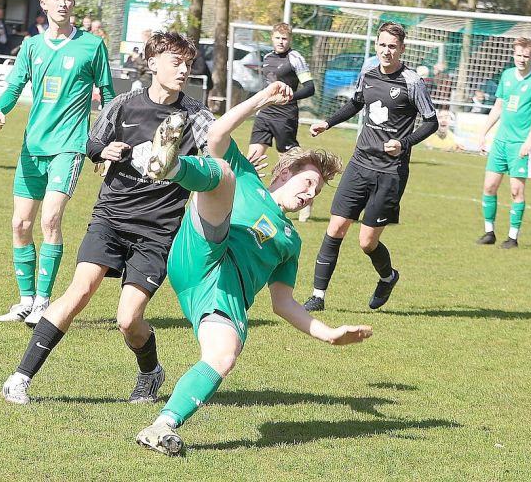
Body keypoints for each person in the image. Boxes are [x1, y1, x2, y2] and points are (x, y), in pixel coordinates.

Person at [133, 80, 372, 456]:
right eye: (308, 182)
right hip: (204, 252)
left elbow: (283, 303)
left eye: (316, 192)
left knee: (223, 357)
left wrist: (328, 335)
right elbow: (216, 132)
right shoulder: (250, 180)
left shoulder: (292, 241)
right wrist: (262, 99)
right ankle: (171, 164)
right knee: (224, 174)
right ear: (283, 173)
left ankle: (161, 425)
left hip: (225, 293)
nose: (310, 194)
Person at [0, 31, 214, 406]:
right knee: (78, 292)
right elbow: (91, 143)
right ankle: (20, 378)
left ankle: (150, 371)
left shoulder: (196, 117)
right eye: (176, 62)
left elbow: (213, 167)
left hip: (158, 230)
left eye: (188, 64)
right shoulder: (124, 105)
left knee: (128, 320)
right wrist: (106, 150)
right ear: (152, 64)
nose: (184, 70)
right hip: (111, 217)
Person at [0, 0, 115, 325]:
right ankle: (25, 300)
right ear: (43, 4)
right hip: (33, 146)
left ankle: (44, 302)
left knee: (50, 219)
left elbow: (108, 95)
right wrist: (0, 109)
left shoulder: (92, 46)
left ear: (73, 4)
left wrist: (104, 144)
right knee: (20, 223)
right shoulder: (32, 47)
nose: (63, 4)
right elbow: (14, 86)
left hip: (70, 146)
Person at [303, 21, 437, 312]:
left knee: (366, 242)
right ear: (376, 45)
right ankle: (317, 296)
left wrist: (405, 143)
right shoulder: (368, 73)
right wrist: (327, 122)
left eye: (392, 46)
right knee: (336, 227)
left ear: (401, 49)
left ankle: (388, 277)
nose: (386, 51)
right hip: (360, 163)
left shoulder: (412, 82)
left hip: (390, 172)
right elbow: (356, 103)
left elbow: (431, 122)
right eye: (382, 45)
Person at [476, 37, 531, 249]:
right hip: (500, 142)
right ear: (513, 54)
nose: (522, 59)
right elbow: (498, 106)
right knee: (489, 186)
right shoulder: (507, 75)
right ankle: (489, 232)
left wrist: (529, 142)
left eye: (526, 56)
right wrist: (483, 133)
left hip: (520, 144)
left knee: (516, 191)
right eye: (518, 55)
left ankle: (513, 237)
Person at [248, 22, 316, 221]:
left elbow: (310, 87)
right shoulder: (267, 58)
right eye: (278, 38)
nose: (281, 42)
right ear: (272, 38)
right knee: (251, 160)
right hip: (265, 114)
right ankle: (255, 200)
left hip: (285, 116)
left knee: (289, 162)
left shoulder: (295, 58)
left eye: (284, 38)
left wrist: (289, 97)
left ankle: (306, 197)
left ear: (290, 40)